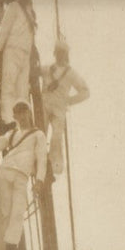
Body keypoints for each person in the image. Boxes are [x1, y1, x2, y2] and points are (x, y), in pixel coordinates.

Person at [0, 101, 48, 250]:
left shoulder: (38, 135)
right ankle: (2, 247)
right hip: (6, 171)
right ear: (15, 116)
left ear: (29, 113)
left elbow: (42, 158)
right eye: (18, 114)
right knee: (4, 210)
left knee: (18, 210)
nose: (21, 117)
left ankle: (11, 244)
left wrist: (40, 180)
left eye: (23, 113)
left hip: (22, 174)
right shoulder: (12, 134)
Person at [41, 39, 90, 176]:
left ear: (66, 54)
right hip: (45, 105)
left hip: (59, 108)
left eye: (62, 53)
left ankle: (54, 165)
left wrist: (69, 101)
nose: (60, 55)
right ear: (55, 53)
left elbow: (85, 91)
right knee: (40, 134)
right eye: (58, 52)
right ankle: (39, 160)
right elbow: (33, 72)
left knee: (57, 136)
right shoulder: (47, 69)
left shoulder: (71, 73)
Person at [0, 0, 38, 121]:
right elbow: (4, 31)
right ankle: (8, 119)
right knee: (9, 86)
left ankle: (22, 122)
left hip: (25, 54)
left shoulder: (31, 12)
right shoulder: (13, 7)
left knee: (22, 90)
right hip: (12, 50)